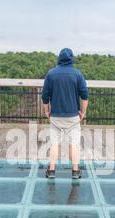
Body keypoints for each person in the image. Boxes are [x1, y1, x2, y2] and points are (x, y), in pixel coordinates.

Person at [42, 48, 89, 179]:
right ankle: (75, 171)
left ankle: (51, 171)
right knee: (73, 144)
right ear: (71, 59)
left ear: (59, 59)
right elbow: (85, 96)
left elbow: (45, 96)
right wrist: (83, 113)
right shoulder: (77, 74)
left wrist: (46, 111)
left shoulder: (51, 74)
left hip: (55, 116)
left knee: (54, 144)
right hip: (73, 116)